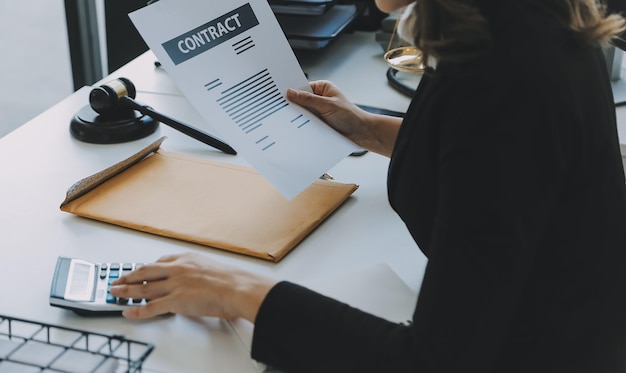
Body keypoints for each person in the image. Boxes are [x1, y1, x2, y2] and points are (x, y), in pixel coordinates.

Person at [111, 0, 626, 371]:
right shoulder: (520, 22)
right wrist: (365, 128)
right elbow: (499, 169)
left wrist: (237, 291)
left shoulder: (503, 82)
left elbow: (434, 361)